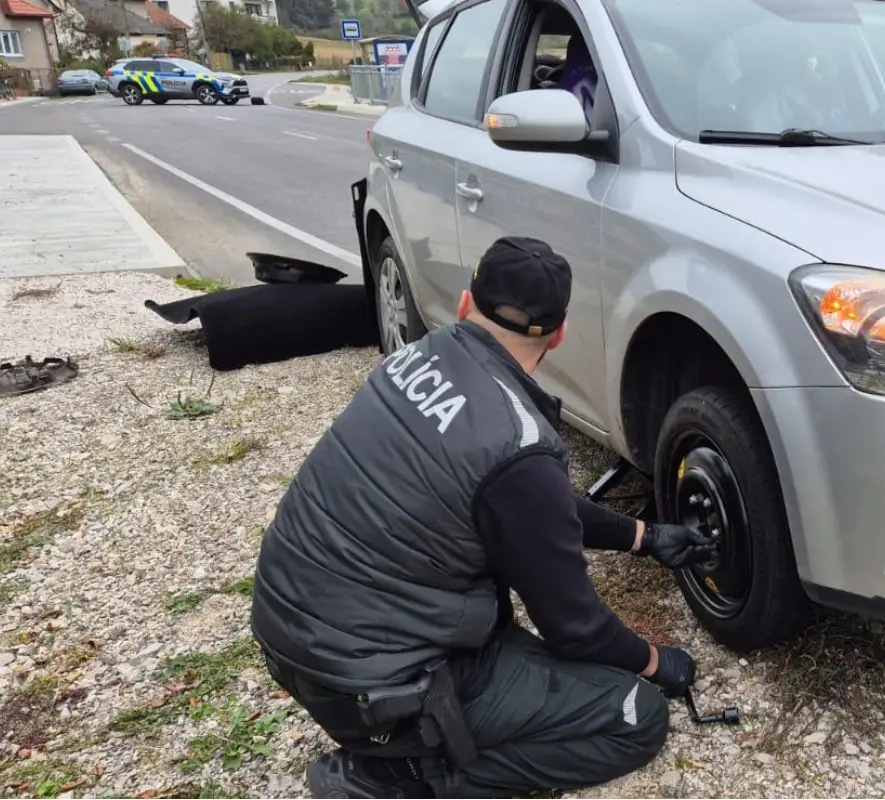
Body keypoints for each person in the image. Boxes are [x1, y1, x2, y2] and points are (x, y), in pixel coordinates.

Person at [250, 236, 717, 799]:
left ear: (468, 302)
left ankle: (410, 742)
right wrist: (654, 662)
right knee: (634, 715)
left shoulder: (418, 356)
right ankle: (400, 779)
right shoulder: (517, 449)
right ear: (560, 334)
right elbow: (577, 628)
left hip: (292, 632)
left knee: (516, 649)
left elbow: (519, 499)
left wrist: (641, 536)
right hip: (370, 686)